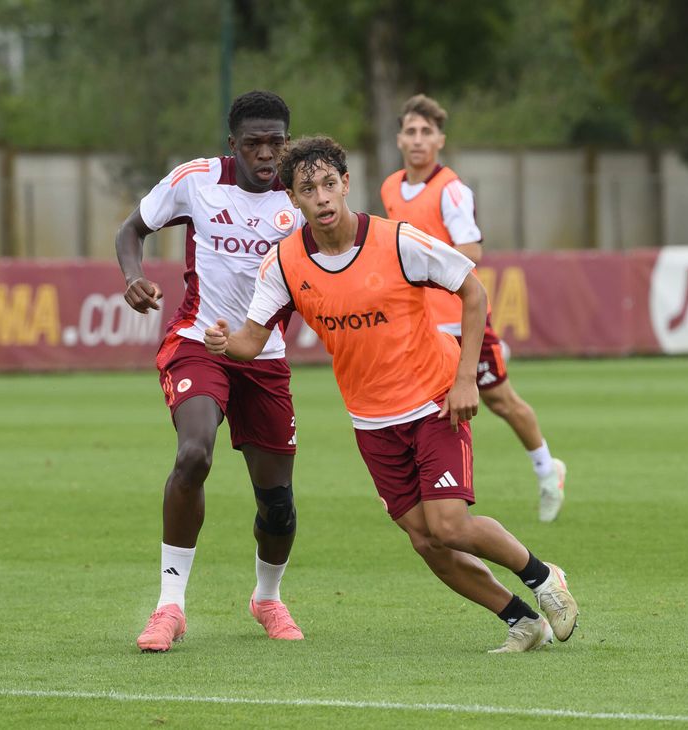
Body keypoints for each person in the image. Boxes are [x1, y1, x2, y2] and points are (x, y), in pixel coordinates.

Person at [204, 135, 578, 652]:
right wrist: (225, 345)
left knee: (448, 523)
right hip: (371, 421)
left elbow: (473, 290)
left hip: (434, 401)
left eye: (330, 184)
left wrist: (467, 378)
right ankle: (520, 621)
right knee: (425, 540)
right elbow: (252, 339)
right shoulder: (286, 263)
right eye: (308, 189)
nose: (323, 198)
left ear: (346, 184)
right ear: (292, 199)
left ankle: (543, 579)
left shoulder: (398, 241)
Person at [115, 90, 307, 651]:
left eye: (276, 142)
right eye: (255, 143)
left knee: (277, 502)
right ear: (234, 145)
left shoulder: (302, 200)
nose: (267, 153)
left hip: (265, 356)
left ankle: (267, 598)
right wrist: (132, 276)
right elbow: (130, 230)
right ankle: (169, 608)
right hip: (198, 342)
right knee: (193, 453)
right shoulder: (197, 180)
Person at [380, 94, 567, 522]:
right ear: (399, 139)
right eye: (411, 131)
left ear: (440, 140)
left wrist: (423, 260)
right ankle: (426, 485)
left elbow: (471, 248)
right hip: (418, 321)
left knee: (499, 399)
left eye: (427, 132)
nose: (418, 139)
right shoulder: (391, 187)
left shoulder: (452, 190)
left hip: (460, 317)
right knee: (417, 401)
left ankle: (546, 469)